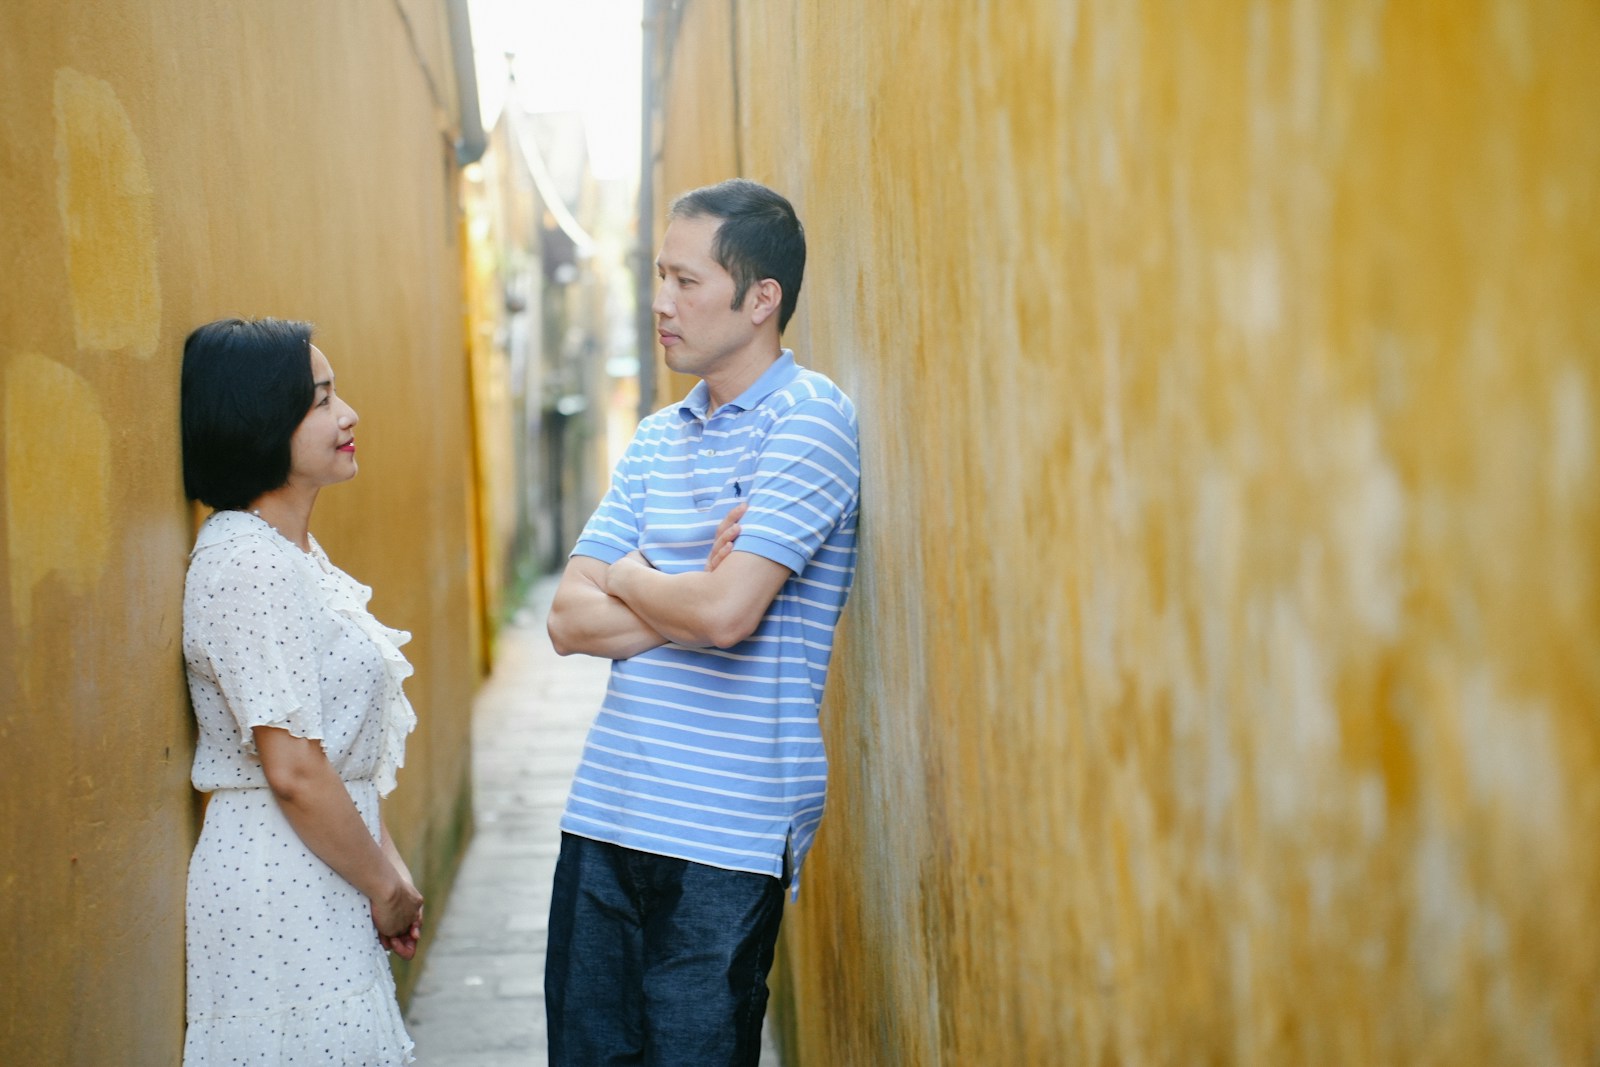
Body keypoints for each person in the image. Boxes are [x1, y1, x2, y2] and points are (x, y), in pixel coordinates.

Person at [544, 178, 862, 1065]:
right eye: (659, 276)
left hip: (727, 834)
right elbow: (569, 620)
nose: (660, 303)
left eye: (688, 282)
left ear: (763, 299)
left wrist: (634, 573)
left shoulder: (812, 420)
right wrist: (677, 583)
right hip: (606, 810)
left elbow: (727, 616)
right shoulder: (655, 438)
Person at [179, 317, 422, 1065]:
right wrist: (386, 885)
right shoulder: (247, 564)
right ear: (260, 419)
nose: (346, 414)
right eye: (319, 400)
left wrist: (389, 870)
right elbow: (292, 768)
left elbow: (331, 752)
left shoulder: (293, 556)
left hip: (323, 869)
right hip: (276, 882)